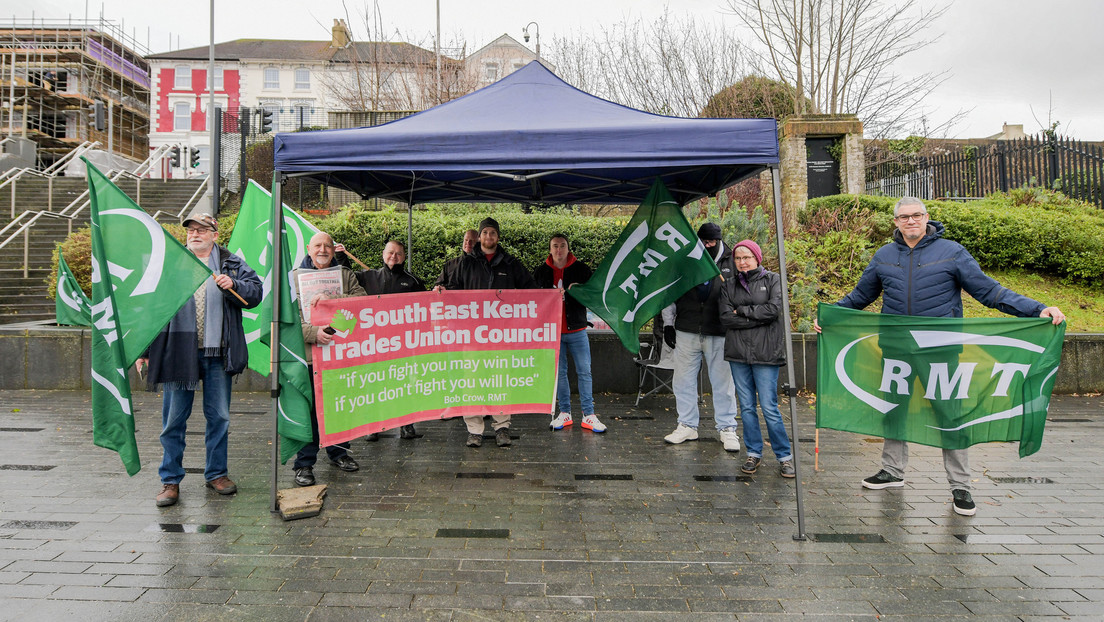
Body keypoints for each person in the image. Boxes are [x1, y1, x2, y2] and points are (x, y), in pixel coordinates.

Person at [817, 196, 1065, 516]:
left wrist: (1036, 309)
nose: (910, 221)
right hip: (896, 349)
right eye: (904, 217)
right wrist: (831, 315)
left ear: (927, 217)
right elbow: (860, 297)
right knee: (894, 411)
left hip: (940, 351)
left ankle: (960, 485)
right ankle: (892, 471)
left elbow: (989, 291)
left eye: (916, 215)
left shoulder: (951, 252)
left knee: (949, 416)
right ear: (895, 222)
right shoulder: (884, 256)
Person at [140, 213, 262, 508]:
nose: (195, 234)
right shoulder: (172, 262)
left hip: (218, 350)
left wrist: (233, 283)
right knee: (173, 420)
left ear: (215, 234)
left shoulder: (231, 262)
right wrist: (144, 351)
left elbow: (255, 292)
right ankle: (170, 481)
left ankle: (217, 474)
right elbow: (151, 307)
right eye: (191, 230)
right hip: (177, 350)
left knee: (219, 416)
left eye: (201, 229)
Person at [444, 216, 538, 448]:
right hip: (472, 336)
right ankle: (474, 430)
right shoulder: (465, 263)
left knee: (500, 381)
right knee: (471, 382)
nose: (489, 237)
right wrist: (442, 291)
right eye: (485, 233)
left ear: (498, 236)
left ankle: (502, 427)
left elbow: (532, 290)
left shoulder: (510, 263)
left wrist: (554, 296)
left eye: (492, 233)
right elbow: (452, 290)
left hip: (501, 336)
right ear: (480, 236)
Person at [291, 232, 367, 487]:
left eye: (327, 246)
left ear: (334, 250)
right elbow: (287, 317)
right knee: (309, 411)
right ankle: (304, 464)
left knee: (339, 407)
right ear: (308, 249)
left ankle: (339, 453)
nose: (323, 249)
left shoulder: (345, 275)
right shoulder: (293, 278)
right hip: (309, 355)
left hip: (339, 354)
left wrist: (332, 299)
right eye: (318, 246)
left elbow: (362, 302)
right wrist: (313, 333)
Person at [661, 223, 741, 452]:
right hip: (687, 328)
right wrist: (668, 324)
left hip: (720, 332)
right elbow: (670, 292)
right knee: (683, 380)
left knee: (723, 383)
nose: (707, 245)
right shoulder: (686, 259)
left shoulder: (732, 260)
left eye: (711, 242)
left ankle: (727, 427)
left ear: (719, 240)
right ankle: (687, 424)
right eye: (703, 241)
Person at [718, 239, 794, 478]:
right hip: (738, 353)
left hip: (766, 353)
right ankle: (754, 453)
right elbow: (725, 318)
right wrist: (756, 318)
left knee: (769, 407)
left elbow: (774, 310)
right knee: (747, 407)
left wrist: (741, 311)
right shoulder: (728, 284)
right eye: (738, 258)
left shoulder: (772, 280)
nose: (742, 262)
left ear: (757, 258)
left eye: (747, 257)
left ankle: (785, 456)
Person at [533, 234, 606, 433]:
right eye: (555, 246)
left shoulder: (581, 270)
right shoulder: (541, 272)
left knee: (584, 371)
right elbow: (533, 300)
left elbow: (594, 293)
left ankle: (588, 414)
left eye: (562, 246)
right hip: (553, 332)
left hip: (577, 329)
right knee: (560, 373)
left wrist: (579, 290)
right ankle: (564, 412)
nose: (558, 250)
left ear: (568, 248)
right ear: (550, 249)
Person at [357, 239, 426, 440]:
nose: (393, 257)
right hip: (373, 344)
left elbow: (425, 310)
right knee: (374, 385)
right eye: (390, 252)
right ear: (383, 254)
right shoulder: (368, 277)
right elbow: (344, 278)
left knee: (403, 384)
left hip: (402, 345)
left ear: (404, 257)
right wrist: (341, 255)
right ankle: (373, 426)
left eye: (398, 254)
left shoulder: (413, 281)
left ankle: (406, 425)